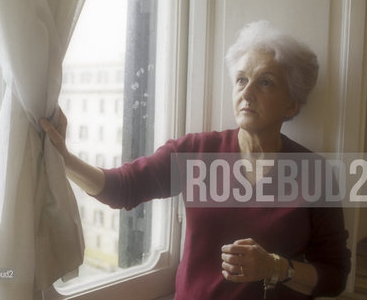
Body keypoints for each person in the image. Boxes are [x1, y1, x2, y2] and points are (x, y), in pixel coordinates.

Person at [41, 20, 351, 299]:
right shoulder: (197, 152)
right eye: (241, 80)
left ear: (291, 105)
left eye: (265, 82)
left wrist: (275, 267)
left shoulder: (315, 174)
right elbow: (123, 187)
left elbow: (335, 277)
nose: (247, 92)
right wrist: (64, 159)